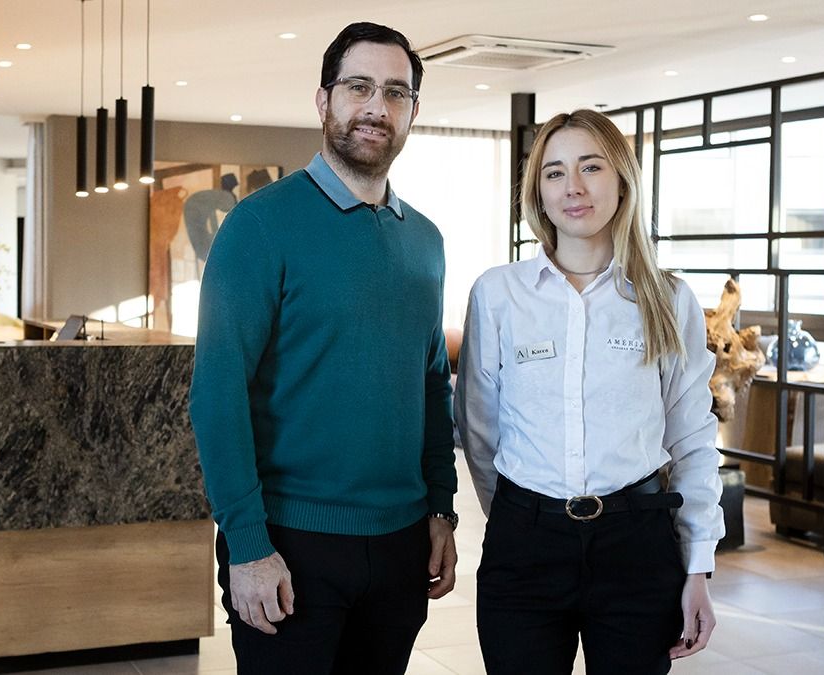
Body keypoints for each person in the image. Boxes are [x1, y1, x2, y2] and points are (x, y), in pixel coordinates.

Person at [190, 21, 458, 675]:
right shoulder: (258, 226)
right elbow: (216, 393)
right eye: (359, 86)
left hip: (400, 546)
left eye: (396, 93)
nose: (377, 107)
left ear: (413, 112)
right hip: (290, 544)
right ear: (323, 99)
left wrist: (442, 508)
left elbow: (430, 384)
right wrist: (248, 543)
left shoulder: (426, 241)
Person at [454, 109, 724, 674]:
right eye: (554, 173)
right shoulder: (498, 294)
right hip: (524, 550)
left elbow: (694, 439)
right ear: (538, 193)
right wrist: (518, 517)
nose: (572, 187)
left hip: (638, 547)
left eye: (590, 166)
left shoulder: (669, 299)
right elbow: (480, 431)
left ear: (622, 180)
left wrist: (697, 566)